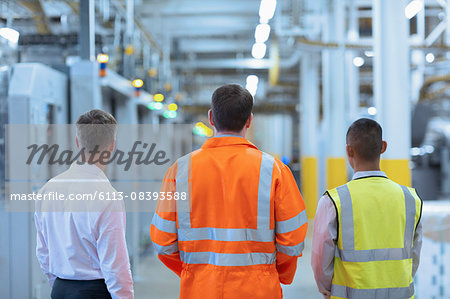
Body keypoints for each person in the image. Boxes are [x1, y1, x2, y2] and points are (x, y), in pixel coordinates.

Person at [151, 84, 308, 299]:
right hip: (260, 291)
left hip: (199, 290)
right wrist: (273, 273)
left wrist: (194, 272)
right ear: (249, 120)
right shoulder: (274, 170)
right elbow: (292, 241)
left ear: (211, 118)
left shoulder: (179, 171)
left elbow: (162, 242)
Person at [311, 118, 423, 299]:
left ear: (348, 150)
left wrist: (325, 288)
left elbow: (320, 258)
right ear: (383, 147)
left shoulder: (333, 201)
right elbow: (415, 254)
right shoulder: (411, 199)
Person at [34, 110, 134, 299]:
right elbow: (116, 266)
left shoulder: (47, 190)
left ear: (78, 143)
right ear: (112, 146)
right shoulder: (108, 197)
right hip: (94, 292)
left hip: (60, 290)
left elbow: (43, 252)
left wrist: (59, 286)